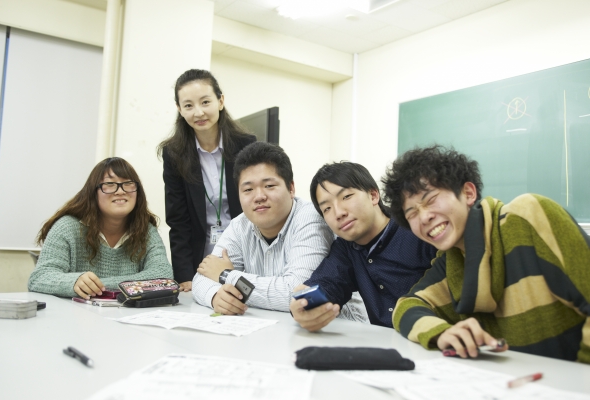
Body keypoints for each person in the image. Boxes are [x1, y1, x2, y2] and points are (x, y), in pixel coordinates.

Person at [383, 145, 590, 363]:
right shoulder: (451, 262)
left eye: (431, 199)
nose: (424, 217)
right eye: (412, 213)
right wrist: (441, 332)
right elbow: (405, 307)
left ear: (468, 193)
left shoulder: (526, 216)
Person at [290, 162, 436, 331]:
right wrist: (303, 304)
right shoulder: (346, 248)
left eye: (346, 197)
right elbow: (328, 283)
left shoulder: (416, 230)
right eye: (327, 208)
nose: (338, 213)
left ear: (374, 195)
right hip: (387, 348)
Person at [192, 142, 334, 314]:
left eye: (269, 186)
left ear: (291, 188)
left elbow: (298, 293)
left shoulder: (311, 218)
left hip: (334, 330)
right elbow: (203, 276)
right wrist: (215, 296)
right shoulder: (240, 225)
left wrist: (226, 275)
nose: (259, 196)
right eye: (248, 189)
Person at [158, 69, 256, 292]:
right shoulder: (174, 154)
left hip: (245, 251)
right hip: (200, 258)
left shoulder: (246, 145)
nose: (198, 112)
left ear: (220, 101)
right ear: (179, 109)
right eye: (189, 105)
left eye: (205, 102)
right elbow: (178, 220)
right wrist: (184, 274)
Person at [28, 157, 173, 299]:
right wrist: (74, 282)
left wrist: (96, 286)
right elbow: (40, 277)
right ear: (93, 192)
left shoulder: (145, 230)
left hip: (127, 316)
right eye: (110, 184)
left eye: (128, 183)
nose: (120, 191)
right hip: (76, 318)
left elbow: (163, 276)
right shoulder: (67, 227)